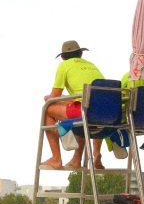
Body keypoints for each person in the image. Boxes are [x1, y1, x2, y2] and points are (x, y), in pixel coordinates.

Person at [41, 41, 105, 171]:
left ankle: (56, 158)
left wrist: (47, 98)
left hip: (85, 111)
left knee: (48, 108)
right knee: (80, 110)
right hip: (105, 112)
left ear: (63, 57)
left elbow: (55, 95)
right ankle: (79, 158)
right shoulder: (91, 65)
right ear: (81, 54)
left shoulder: (64, 65)